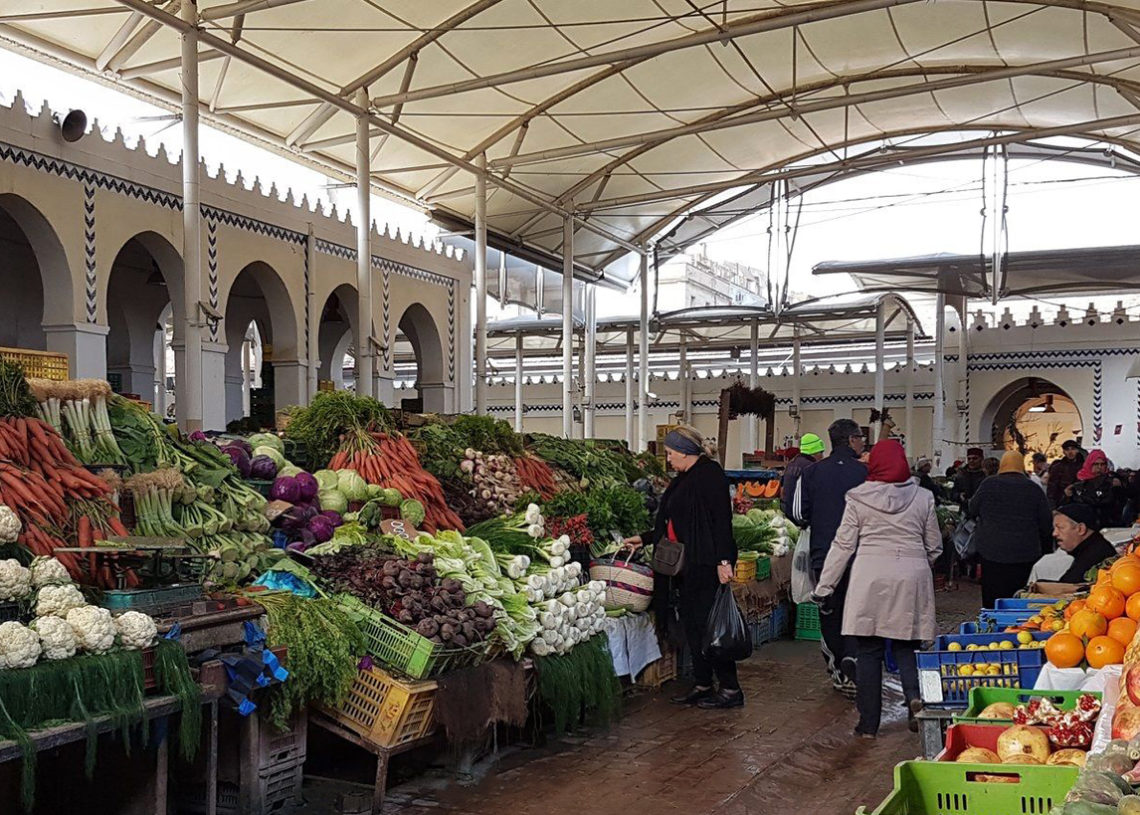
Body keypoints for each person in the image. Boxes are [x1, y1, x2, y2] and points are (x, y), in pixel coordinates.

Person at [812, 440, 941, 738]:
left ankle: (868, 724)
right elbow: (934, 545)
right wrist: (918, 561)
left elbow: (843, 545)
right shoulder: (923, 497)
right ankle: (913, 697)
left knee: (869, 650)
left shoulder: (858, 497)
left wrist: (825, 586)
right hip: (911, 577)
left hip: (869, 577)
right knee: (907, 645)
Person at [623, 425, 741, 710]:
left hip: (706, 564)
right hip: (685, 566)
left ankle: (730, 688)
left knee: (711, 626)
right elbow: (672, 521)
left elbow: (722, 522)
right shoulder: (684, 478)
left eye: (670, 453)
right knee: (693, 625)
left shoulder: (710, 476)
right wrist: (645, 538)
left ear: (684, 452)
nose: (668, 459)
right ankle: (703, 683)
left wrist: (724, 562)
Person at [792, 418, 867, 696]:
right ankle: (854, 659)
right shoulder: (865, 473)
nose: (863, 443)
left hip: (824, 556)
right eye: (860, 437)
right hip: (861, 555)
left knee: (830, 611)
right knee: (857, 610)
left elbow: (797, 513)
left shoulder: (811, 472)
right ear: (851, 440)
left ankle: (839, 671)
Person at [967, 451, 1054, 607]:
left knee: (993, 595)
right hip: (1024, 552)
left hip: (992, 551)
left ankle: (993, 619)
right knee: (1019, 595)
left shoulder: (989, 484)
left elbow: (972, 509)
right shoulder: (1032, 488)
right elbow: (1046, 522)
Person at [1048, 504, 1118, 584]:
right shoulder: (1094, 547)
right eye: (1054, 528)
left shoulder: (1093, 556)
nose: (1054, 533)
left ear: (1081, 529)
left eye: (1060, 528)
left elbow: (1067, 586)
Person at [1067, 449, 1129, 529]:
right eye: (1096, 464)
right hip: (1085, 524)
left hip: (1109, 523)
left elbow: (1119, 503)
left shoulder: (1112, 480)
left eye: (1102, 464)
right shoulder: (1079, 480)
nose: (1099, 467)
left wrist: (1117, 488)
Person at [781, 433, 824, 518]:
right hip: (802, 516)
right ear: (814, 452)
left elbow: (782, 491)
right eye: (821, 452)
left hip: (787, 513)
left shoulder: (791, 464)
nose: (822, 456)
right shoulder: (811, 467)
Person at [1047, 440, 1083, 508]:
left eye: (1073, 449)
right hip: (1062, 503)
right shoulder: (1057, 468)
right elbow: (1051, 490)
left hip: (1081, 503)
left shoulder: (1083, 467)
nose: (1070, 452)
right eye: (1067, 449)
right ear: (1064, 451)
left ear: (1077, 450)